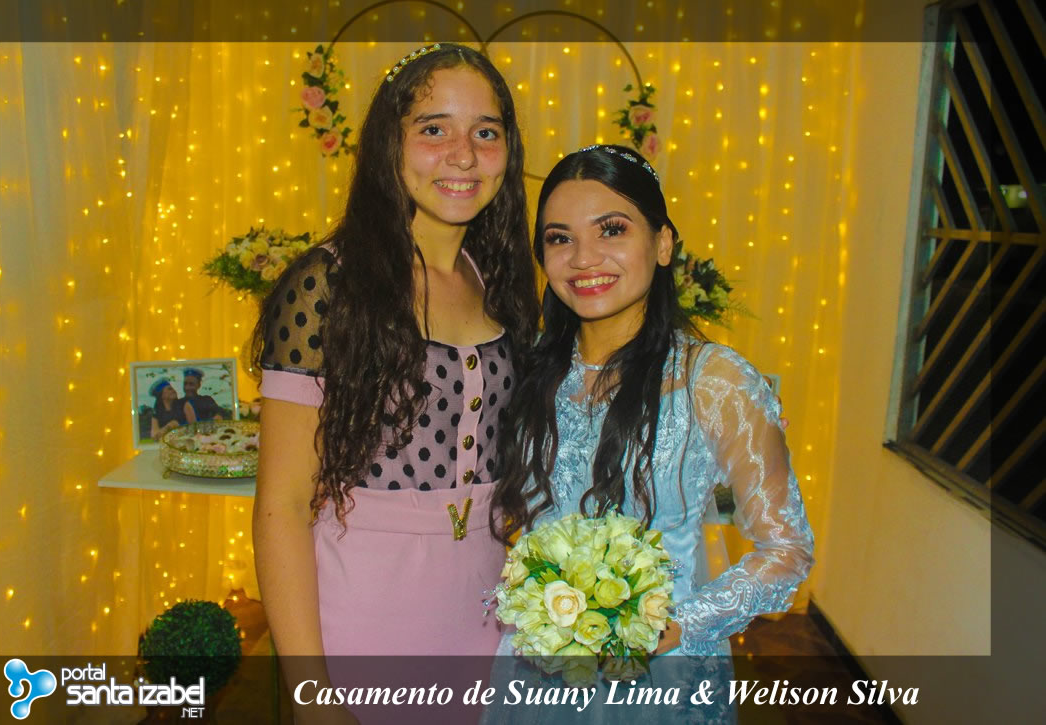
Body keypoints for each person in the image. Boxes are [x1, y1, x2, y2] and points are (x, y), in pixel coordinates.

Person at [251, 43, 539, 722]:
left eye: (486, 132)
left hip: (487, 619)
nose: (463, 155)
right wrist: (311, 694)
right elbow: (282, 506)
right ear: (390, 142)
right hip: (365, 619)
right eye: (434, 128)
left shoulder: (499, 281)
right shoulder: (328, 285)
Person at [487, 145, 814, 722]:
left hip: (659, 677)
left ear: (663, 243)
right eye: (560, 238)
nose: (584, 258)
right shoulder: (528, 368)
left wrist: (673, 625)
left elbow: (786, 551)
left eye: (611, 229)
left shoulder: (714, 380)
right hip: (537, 670)